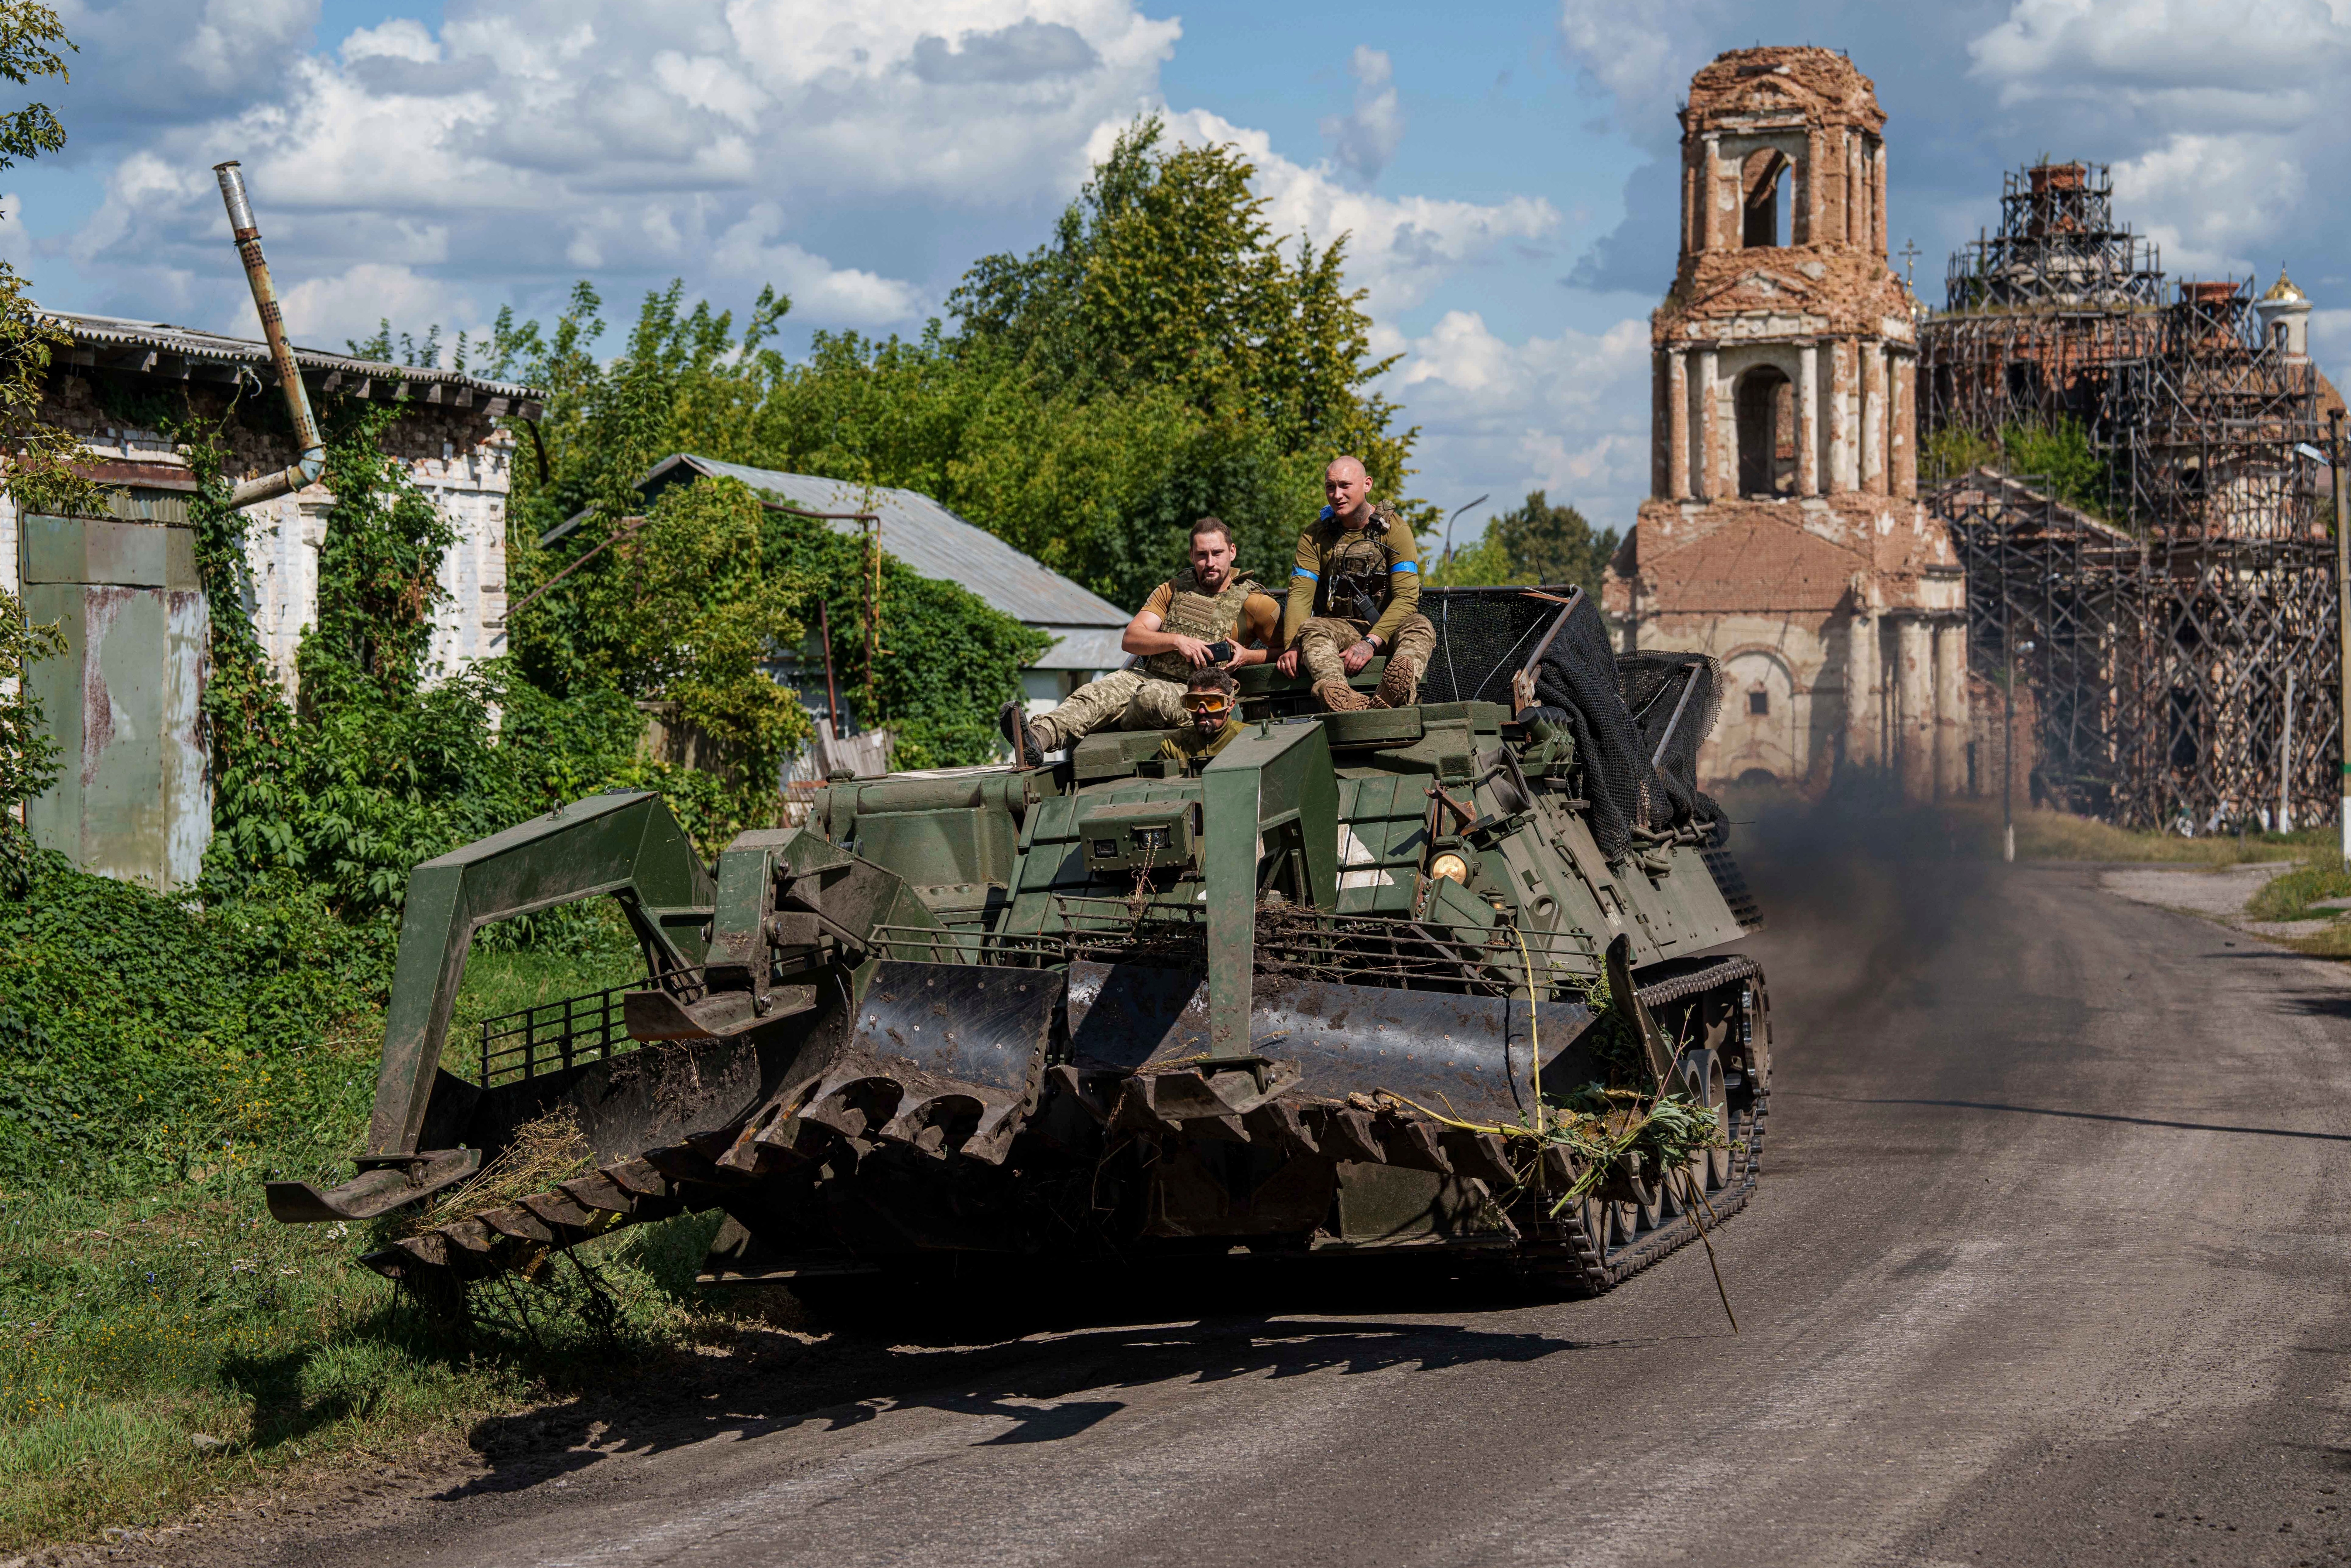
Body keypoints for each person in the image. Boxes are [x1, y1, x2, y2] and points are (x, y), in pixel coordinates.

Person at [1001, 517, 1280, 765]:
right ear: (1191, 555)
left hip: (1202, 699)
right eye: (1202, 555)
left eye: (1217, 553)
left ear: (1232, 552)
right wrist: (1177, 641)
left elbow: (1291, 652)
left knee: (1150, 697)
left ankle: (1104, 723)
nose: (1210, 563)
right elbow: (1132, 638)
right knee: (1098, 692)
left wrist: (1249, 656)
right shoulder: (1173, 590)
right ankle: (1038, 739)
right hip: (1148, 677)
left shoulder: (1255, 603)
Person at [1275, 456, 1436, 712]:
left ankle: (1394, 694)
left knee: (1420, 625)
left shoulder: (1395, 530)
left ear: (1367, 485)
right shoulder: (1315, 535)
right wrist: (1292, 647)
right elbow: (1300, 595)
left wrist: (1371, 642)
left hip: (1386, 630)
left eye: (1345, 486)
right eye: (1330, 487)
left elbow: (1407, 598)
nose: (1337, 495)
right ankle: (1339, 695)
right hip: (1341, 630)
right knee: (1311, 628)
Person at [1159, 665, 1244, 773]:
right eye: (1194, 702)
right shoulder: (1174, 745)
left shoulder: (1249, 739)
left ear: (1230, 706)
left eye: (1213, 703)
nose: (1202, 711)